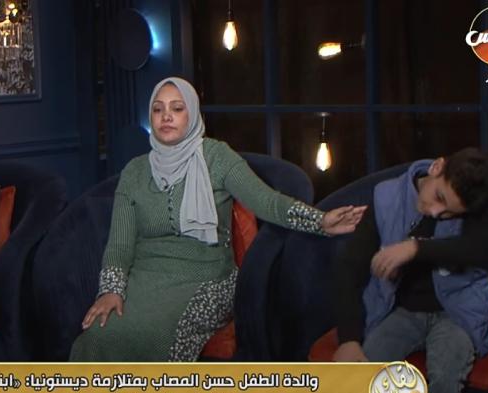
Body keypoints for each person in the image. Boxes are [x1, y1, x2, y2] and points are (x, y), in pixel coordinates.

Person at [69, 77, 366, 363]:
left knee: (156, 336)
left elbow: (267, 201)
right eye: (158, 109)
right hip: (146, 281)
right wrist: (110, 291)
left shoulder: (217, 157)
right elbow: (119, 244)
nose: (166, 117)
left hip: (208, 279)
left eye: (177, 108)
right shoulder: (134, 171)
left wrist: (320, 220)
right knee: (97, 336)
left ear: (192, 114)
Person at [330, 147, 488, 393]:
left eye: (449, 213)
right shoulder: (387, 197)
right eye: (439, 197)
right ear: (436, 168)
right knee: (354, 378)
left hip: (457, 313)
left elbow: (479, 249)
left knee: (446, 380)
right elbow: (350, 266)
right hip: (400, 311)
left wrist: (415, 248)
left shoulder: (473, 201)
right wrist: (348, 339)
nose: (436, 212)